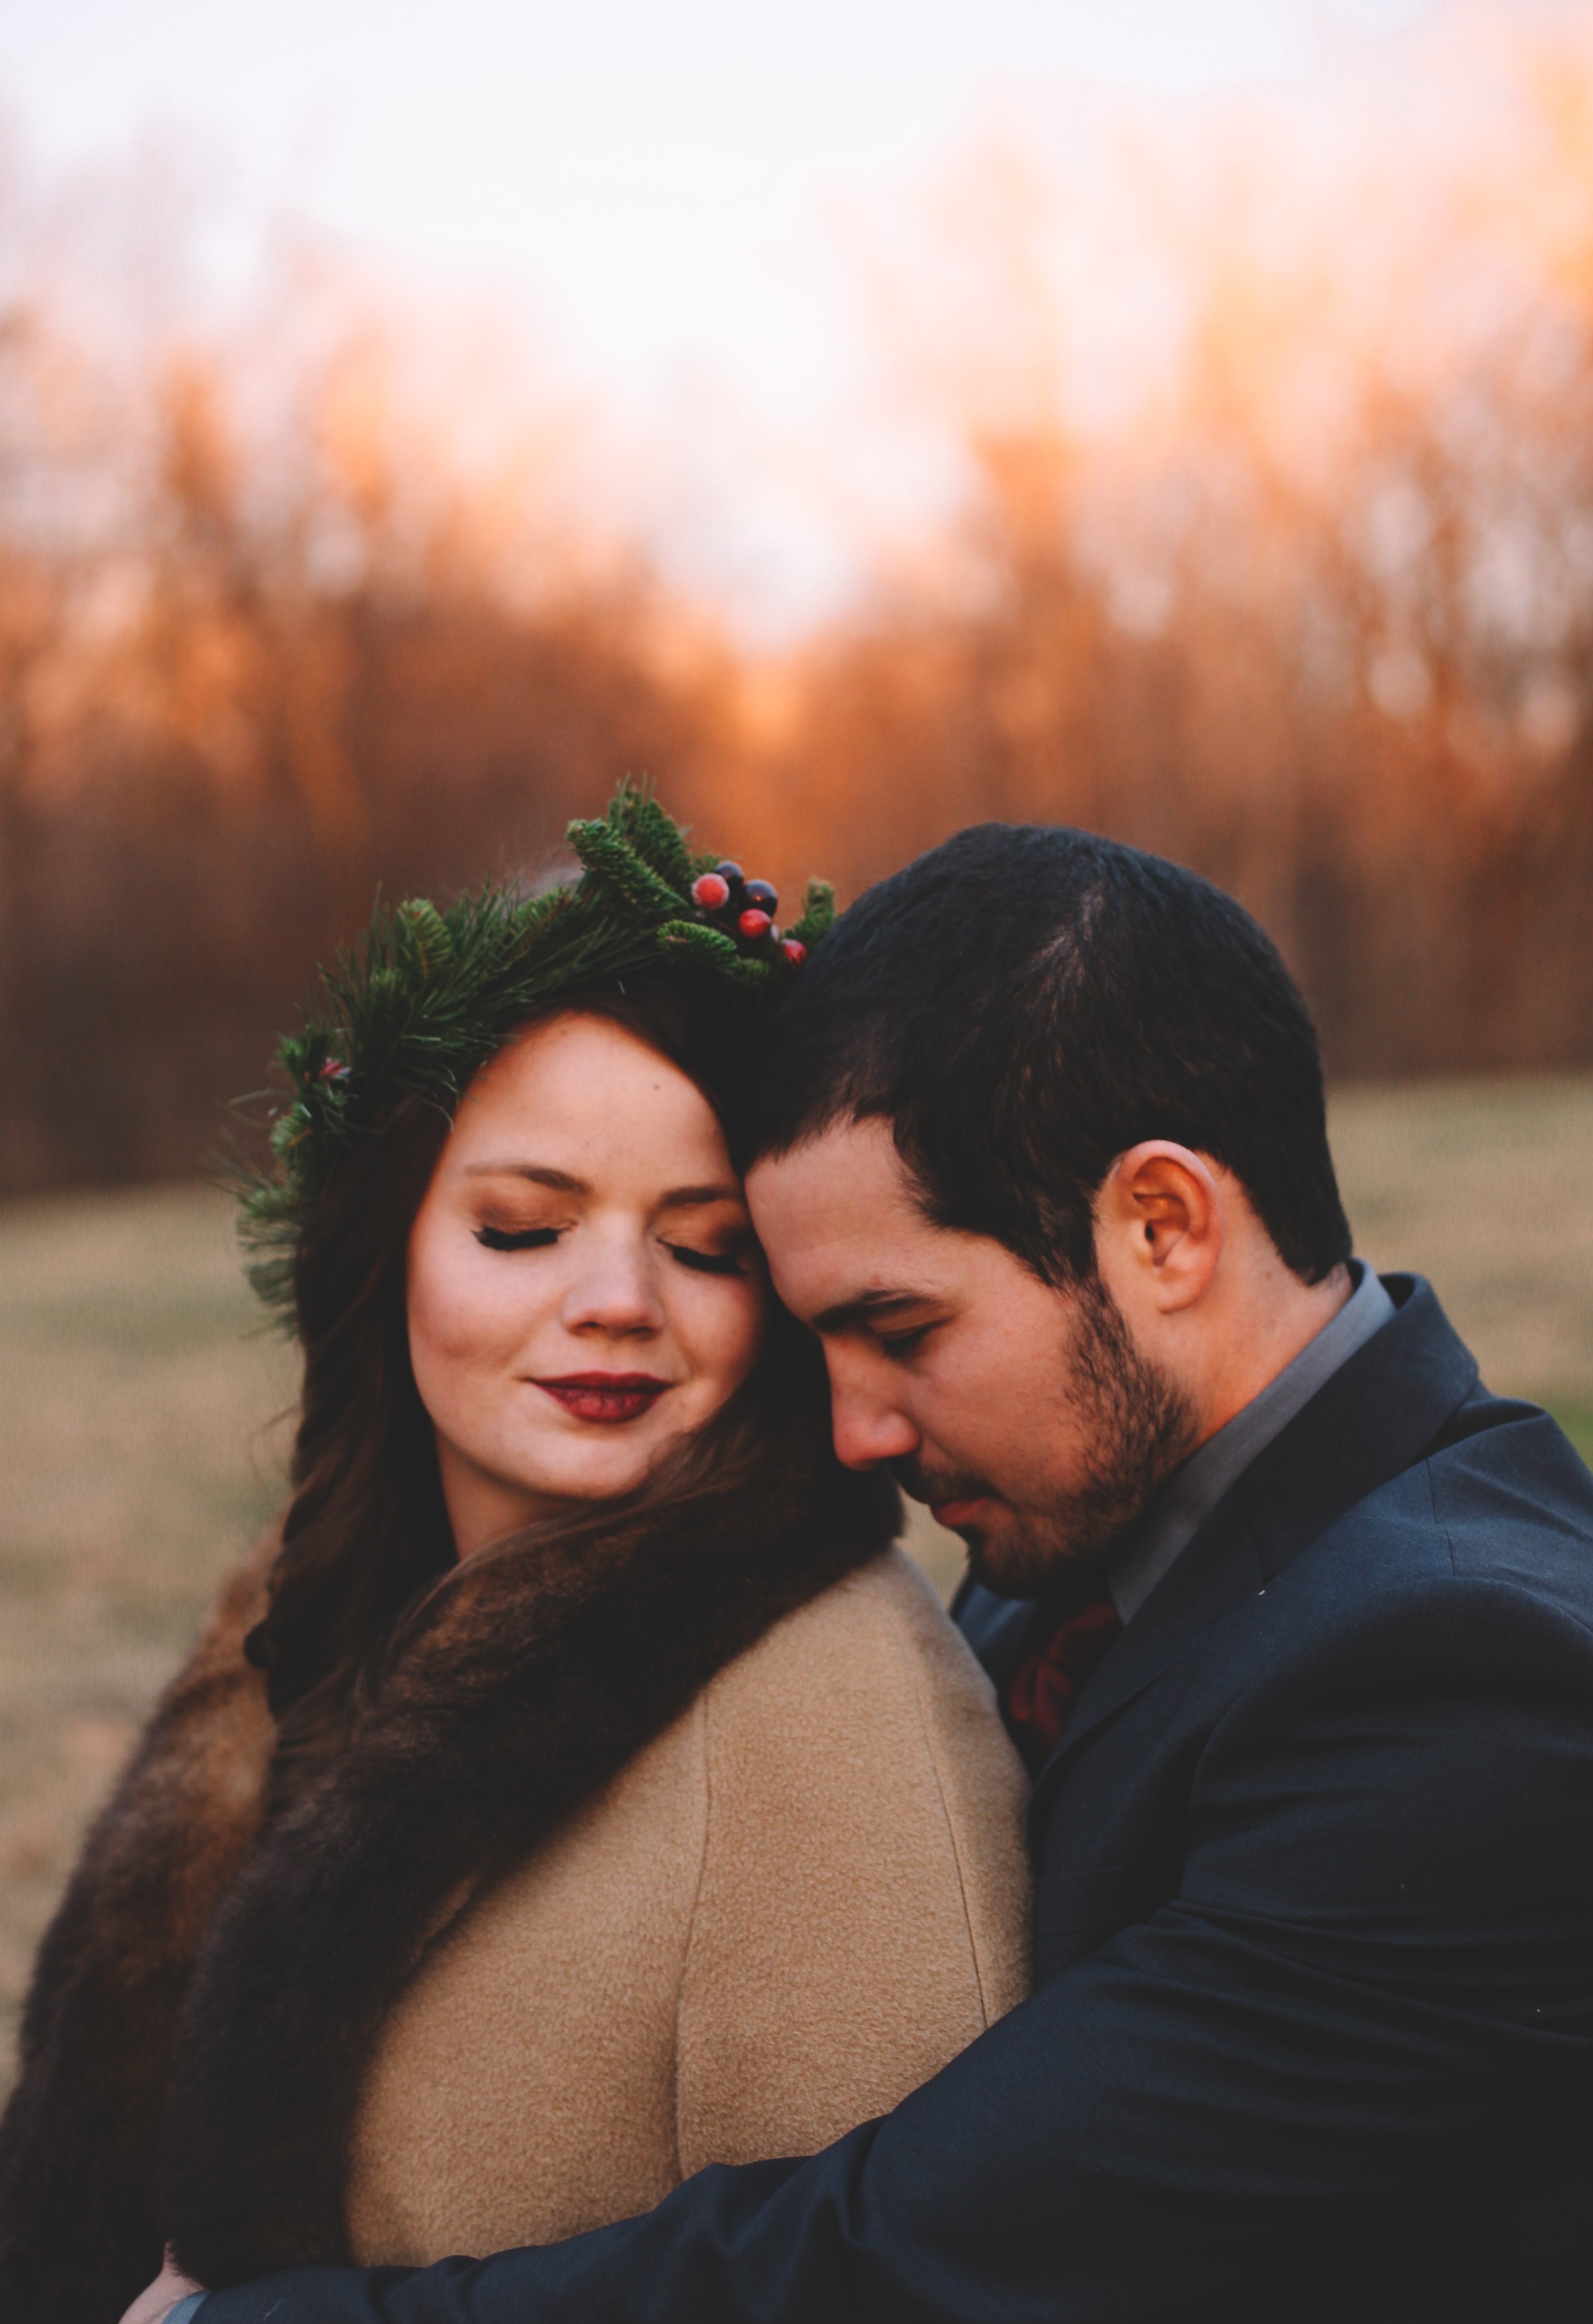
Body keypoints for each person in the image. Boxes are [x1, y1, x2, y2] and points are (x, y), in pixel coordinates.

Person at [145, 819, 1593, 2324]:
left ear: (1161, 1227)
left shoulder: (1468, 1691)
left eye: (900, 1333)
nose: (852, 1433)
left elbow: (921, 2257)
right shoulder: (1086, 1543)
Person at [0, 790, 1032, 2324]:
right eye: (523, 1228)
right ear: (390, 1241)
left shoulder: (831, 1710)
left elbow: (900, 2289)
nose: (618, 1297)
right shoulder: (309, 1622)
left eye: (703, 1246)